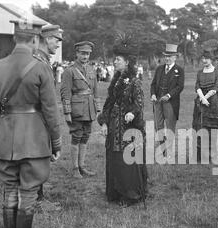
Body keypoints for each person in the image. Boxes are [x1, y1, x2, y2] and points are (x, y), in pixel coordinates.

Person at [0, 19, 61, 228]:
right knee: (27, 195)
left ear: (15, 38)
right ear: (35, 39)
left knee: (9, 194)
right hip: (34, 142)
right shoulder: (40, 68)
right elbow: (50, 111)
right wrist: (55, 143)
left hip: (6, 140)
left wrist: (1, 135)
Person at [97, 35, 147, 207]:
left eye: (118, 60)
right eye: (115, 59)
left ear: (127, 63)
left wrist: (132, 113)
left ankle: (131, 194)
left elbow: (139, 103)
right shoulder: (116, 81)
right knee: (115, 159)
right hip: (114, 128)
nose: (115, 62)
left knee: (128, 160)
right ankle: (116, 192)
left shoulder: (134, 82)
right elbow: (109, 103)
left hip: (128, 128)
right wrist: (104, 122)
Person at [60, 41, 100, 178]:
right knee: (76, 137)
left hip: (89, 109)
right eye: (82, 53)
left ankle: (82, 166)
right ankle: (75, 168)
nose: (85, 56)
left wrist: (97, 109)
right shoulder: (69, 71)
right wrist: (67, 112)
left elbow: (95, 91)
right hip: (77, 109)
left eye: (87, 54)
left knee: (85, 137)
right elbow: (65, 93)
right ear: (77, 53)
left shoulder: (91, 70)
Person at [34, 24, 63, 207]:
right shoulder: (41, 64)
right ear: (47, 39)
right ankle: (37, 200)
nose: (58, 44)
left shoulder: (35, 60)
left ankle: (36, 197)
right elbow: (50, 107)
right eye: (57, 40)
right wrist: (56, 141)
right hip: (38, 122)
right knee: (37, 160)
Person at [150, 44, 184, 157]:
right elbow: (153, 84)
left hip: (170, 102)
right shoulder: (159, 69)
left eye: (170, 56)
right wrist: (153, 94)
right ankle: (163, 148)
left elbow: (180, 87)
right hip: (158, 102)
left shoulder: (179, 70)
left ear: (175, 57)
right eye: (166, 56)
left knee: (170, 127)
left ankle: (168, 152)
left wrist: (169, 95)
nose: (167, 58)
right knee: (158, 126)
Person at [192, 49, 218, 162]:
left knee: (211, 128)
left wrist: (206, 98)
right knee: (199, 127)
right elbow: (197, 86)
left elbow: (216, 86)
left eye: (207, 58)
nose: (204, 60)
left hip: (212, 103)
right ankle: (200, 156)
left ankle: (211, 155)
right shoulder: (200, 72)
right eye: (203, 58)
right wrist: (202, 98)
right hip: (200, 103)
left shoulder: (216, 71)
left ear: (211, 59)